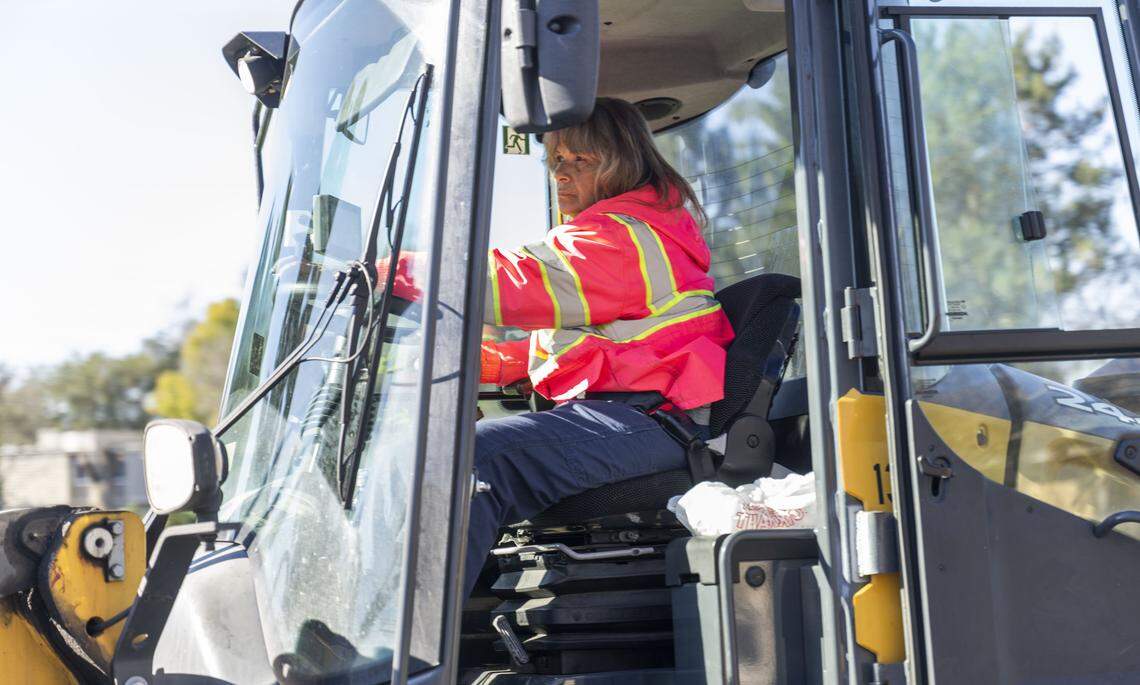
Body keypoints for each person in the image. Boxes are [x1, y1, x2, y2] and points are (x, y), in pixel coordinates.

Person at [467, 98, 734, 596]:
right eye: (556, 162)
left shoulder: (624, 237)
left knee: (479, 459)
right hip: (620, 413)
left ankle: (406, 653)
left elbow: (518, 285)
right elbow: (604, 343)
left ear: (621, 164)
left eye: (580, 162)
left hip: (646, 421)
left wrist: (404, 270)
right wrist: (497, 363)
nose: (562, 175)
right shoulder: (617, 233)